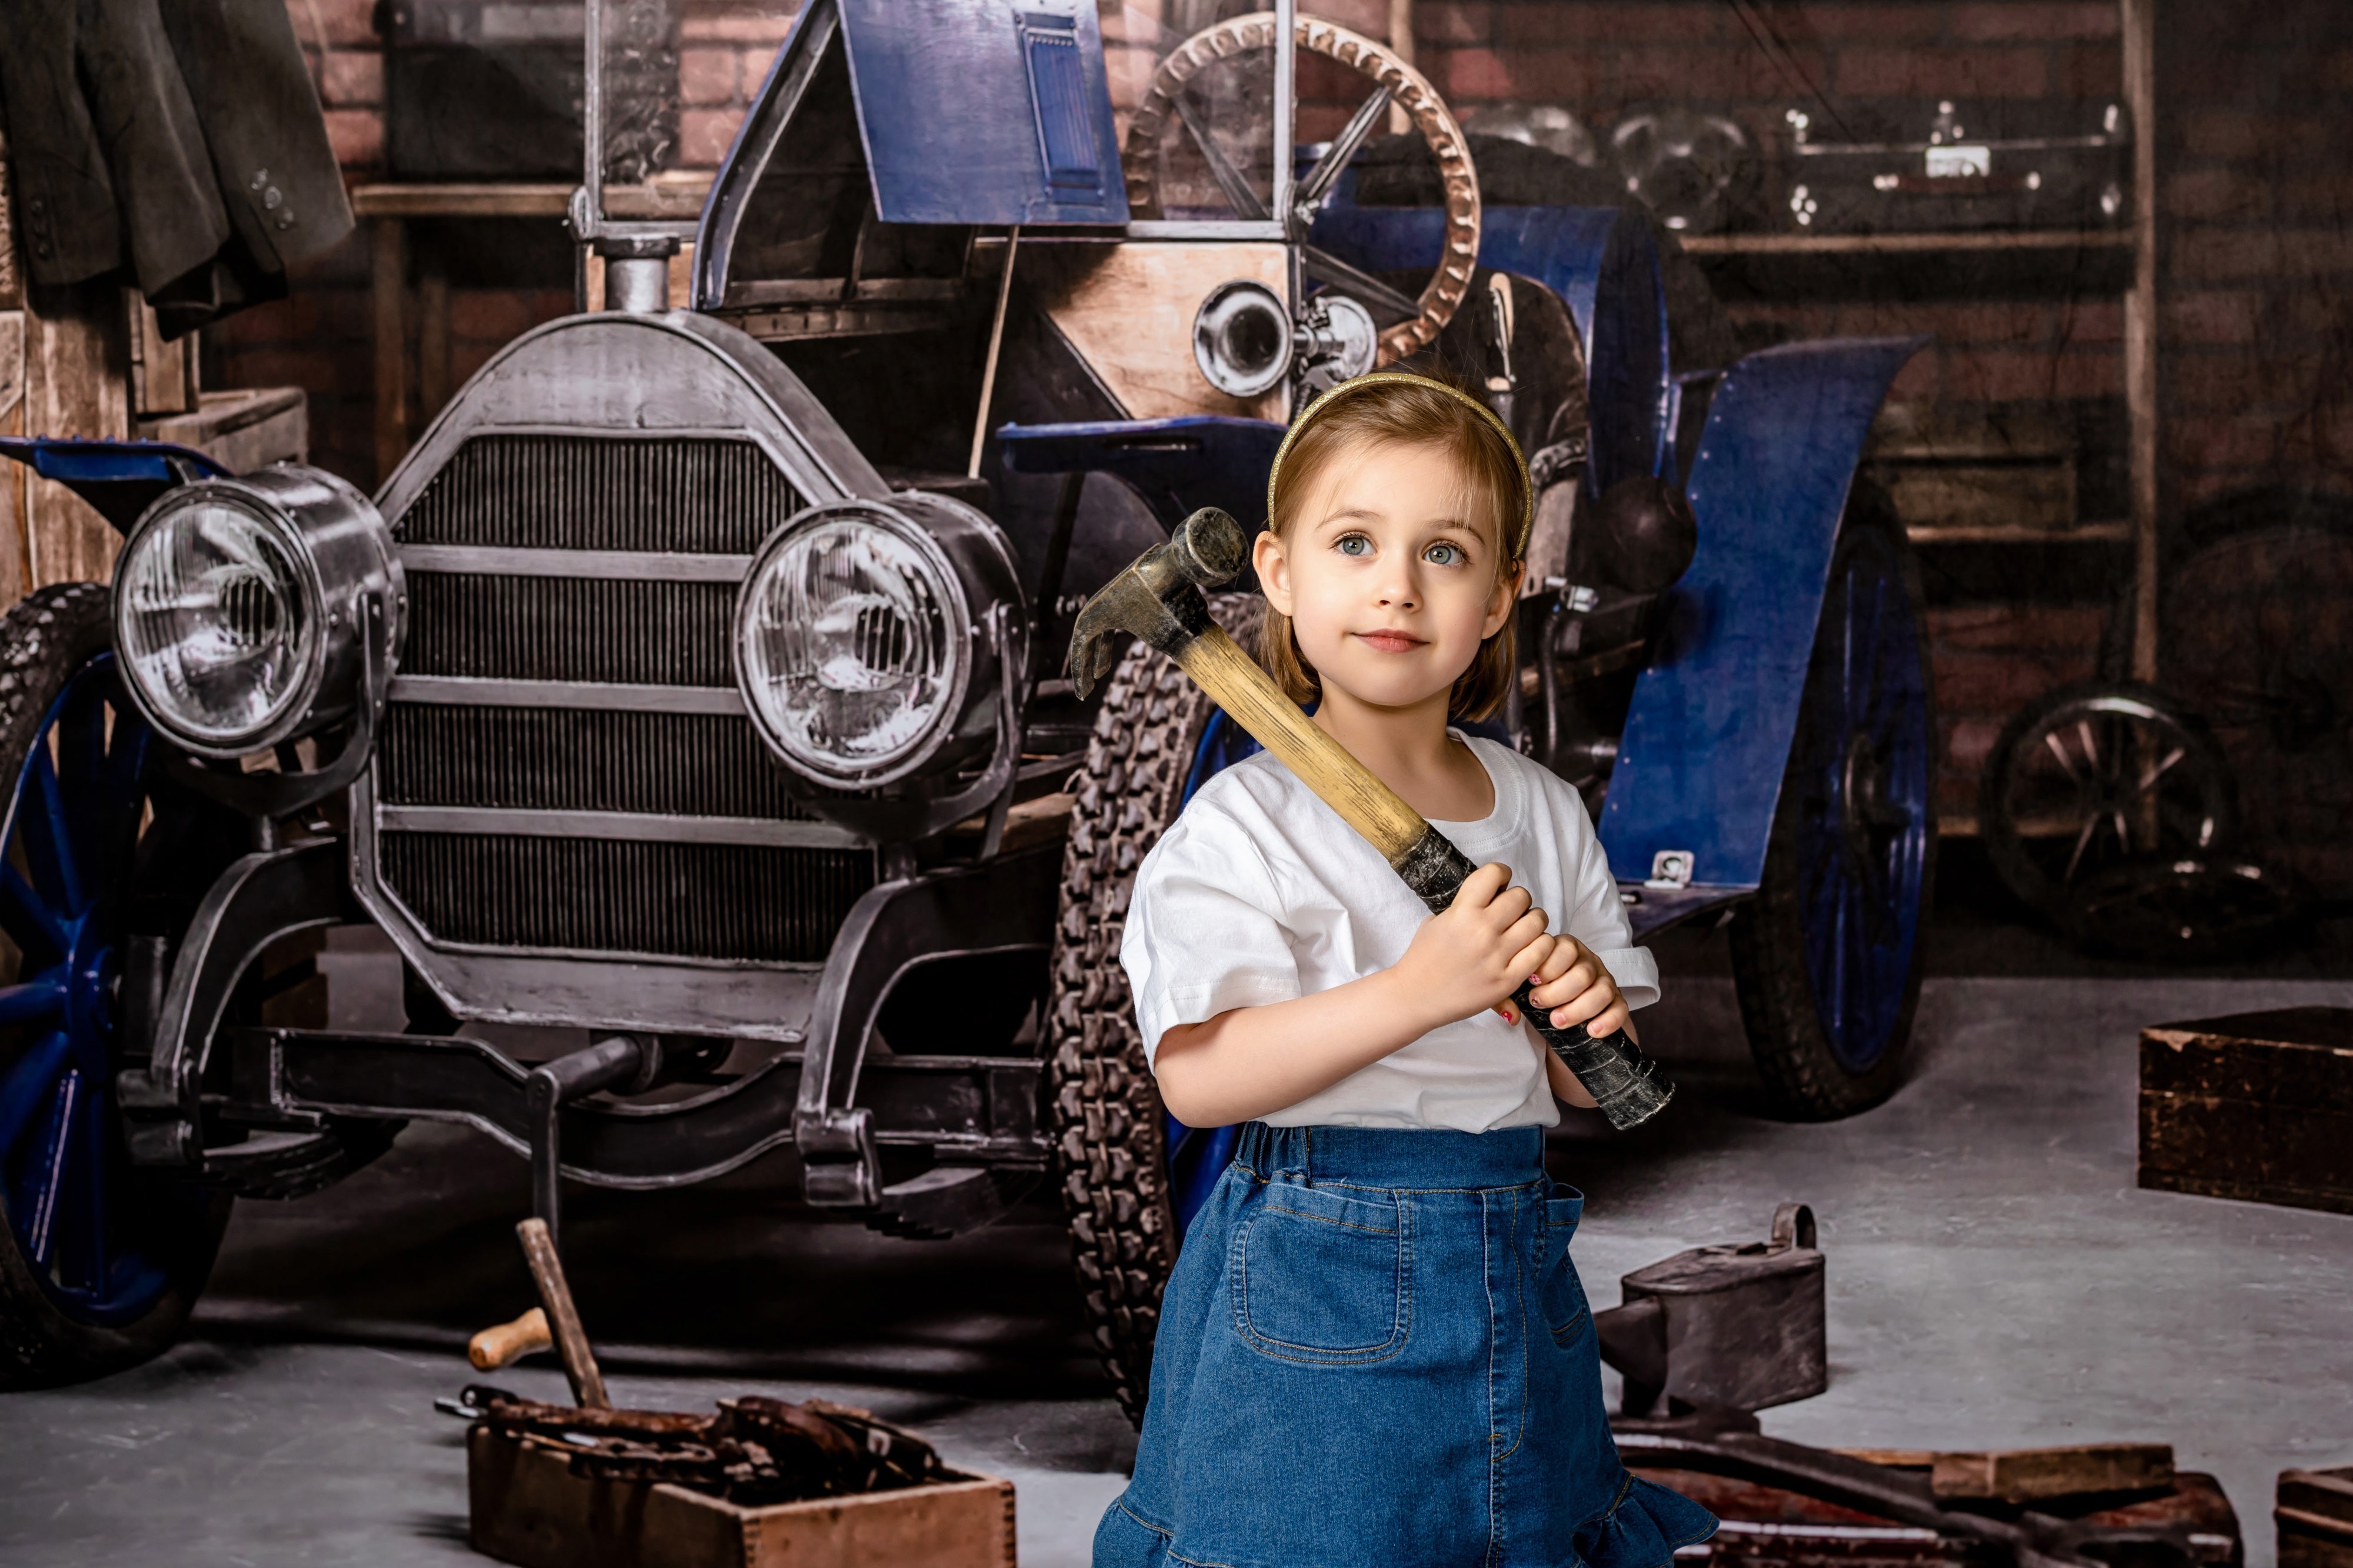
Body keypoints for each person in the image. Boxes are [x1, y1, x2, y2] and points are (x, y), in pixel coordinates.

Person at [1094, 372, 1719, 1567]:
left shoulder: (1538, 811)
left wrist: (1584, 1008)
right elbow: (1201, 1082)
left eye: (1443, 550)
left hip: (1510, 1255)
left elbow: (1598, 1086)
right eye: (1353, 543)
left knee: (1518, 1538)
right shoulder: (1238, 830)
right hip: (1307, 1268)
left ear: (1500, 597)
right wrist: (1416, 992)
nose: (1395, 584)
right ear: (1277, 574)